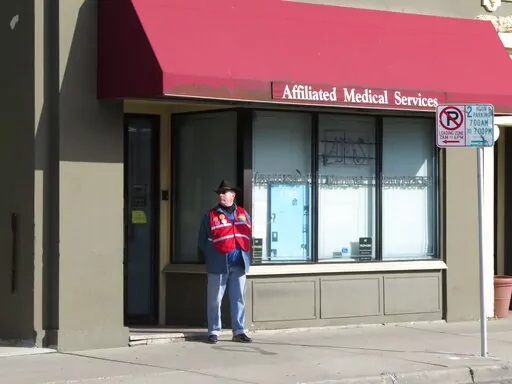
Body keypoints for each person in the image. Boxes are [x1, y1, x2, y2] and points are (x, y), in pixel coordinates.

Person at [197, 180, 253, 344]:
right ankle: (214, 331)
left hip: (239, 264)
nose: (221, 195)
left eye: (225, 192)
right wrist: (210, 257)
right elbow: (202, 240)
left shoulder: (243, 213)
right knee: (214, 299)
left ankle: (239, 331)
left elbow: (248, 235)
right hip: (218, 265)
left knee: (239, 299)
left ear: (233, 195)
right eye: (219, 193)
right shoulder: (210, 215)